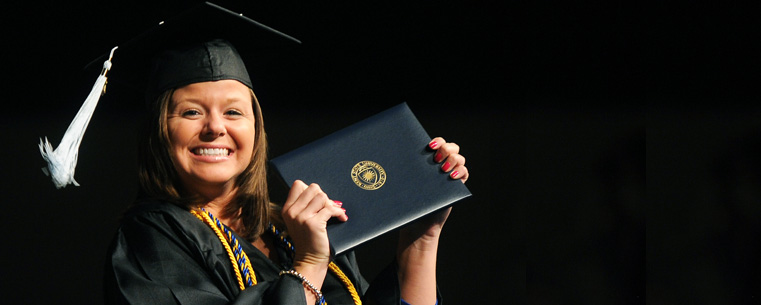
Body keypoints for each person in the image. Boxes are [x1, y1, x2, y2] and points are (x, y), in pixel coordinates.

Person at [102, 3, 469, 305]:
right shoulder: (151, 236)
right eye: (191, 112)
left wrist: (421, 239)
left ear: (256, 131)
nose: (216, 127)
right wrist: (309, 263)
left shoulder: (291, 229)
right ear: (158, 132)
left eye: (233, 112)